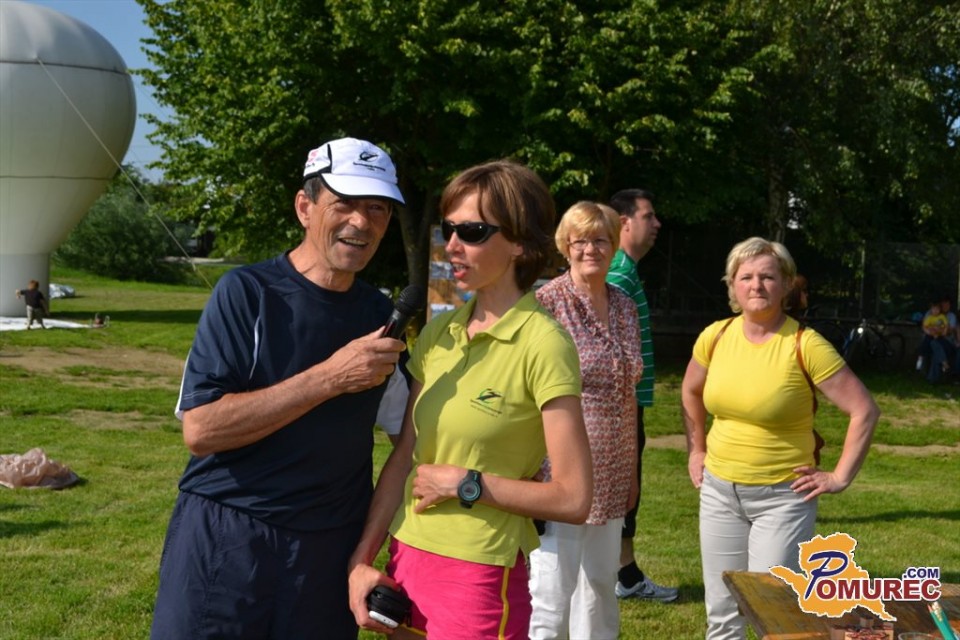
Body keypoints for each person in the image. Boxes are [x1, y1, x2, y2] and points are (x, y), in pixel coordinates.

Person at [149, 137, 411, 640]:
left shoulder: (381, 316)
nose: (361, 222)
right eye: (344, 203)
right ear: (304, 208)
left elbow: (411, 437)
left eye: (377, 208)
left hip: (327, 550)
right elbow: (201, 429)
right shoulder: (247, 293)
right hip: (228, 536)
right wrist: (330, 377)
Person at [347, 160, 593, 639]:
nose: (453, 245)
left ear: (520, 242)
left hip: (478, 573)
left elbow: (574, 496)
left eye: (473, 232)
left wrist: (468, 484)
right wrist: (362, 558)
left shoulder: (545, 344)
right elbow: (405, 456)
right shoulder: (439, 332)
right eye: (450, 229)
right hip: (406, 557)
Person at [681, 237, 880, 640]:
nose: (756, 285)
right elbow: (690, 391)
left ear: (786, 284)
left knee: (773, 612)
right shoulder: (715, 337)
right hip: (719, 492)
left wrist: (839, 477)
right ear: (732, 284)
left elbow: (864, 409)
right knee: (721, 612)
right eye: (746, 277)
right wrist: (696, 449)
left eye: (768, 277)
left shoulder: (806, 345)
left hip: (782, 499)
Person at [528, 202, 644, 639]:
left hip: (613, 471)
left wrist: (632, 472)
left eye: (601, 240)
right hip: (558, 470)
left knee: (599, 585)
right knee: (552, 592)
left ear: (614, 246)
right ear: (565, 246)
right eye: (581, 241)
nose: (591, 249)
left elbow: (629, 393)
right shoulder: (547, 303)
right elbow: (526, 389)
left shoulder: (624, 305)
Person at [605, 188, 678, 602]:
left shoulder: (624, 270)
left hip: (626, 404)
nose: (657, 224)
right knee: (623, 489)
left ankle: (626, 574)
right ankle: (619, 576)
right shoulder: (617, 272)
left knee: (625, 491)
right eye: (649, 216)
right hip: (619, 406)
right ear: (624, 223)